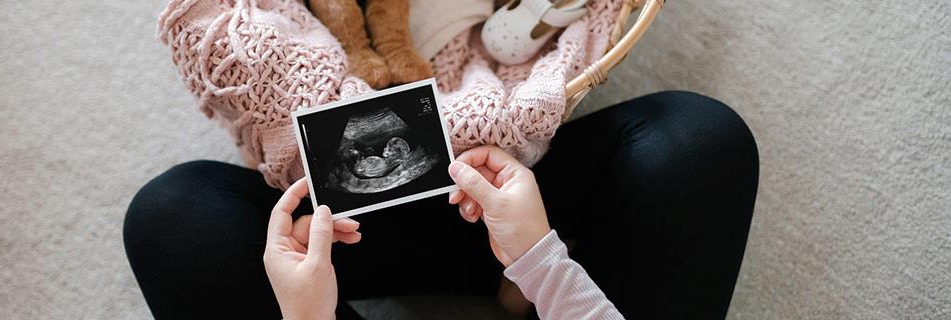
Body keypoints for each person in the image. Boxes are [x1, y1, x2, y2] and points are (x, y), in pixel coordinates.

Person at [124, 91, 759, 319]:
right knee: (699, 139)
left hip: (347, 246)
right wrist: (540, 265)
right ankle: (512, 289)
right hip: (519, 236)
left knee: (173, 218)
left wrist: (308, 316)